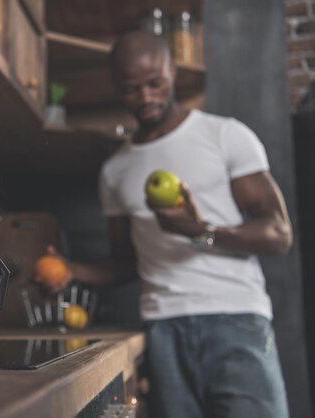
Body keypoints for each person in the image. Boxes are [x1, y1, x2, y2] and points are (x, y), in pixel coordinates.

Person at [38, 31, 291, 418]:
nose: (146, 98)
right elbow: (125, 261)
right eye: (131, 88)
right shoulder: (116, 171)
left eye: (155, 83)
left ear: (173, 71)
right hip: (162, 328)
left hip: (237, 320)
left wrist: (200, 230)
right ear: (117, 89)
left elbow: (278, 233)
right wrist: (73, 271)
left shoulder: (224, 135)